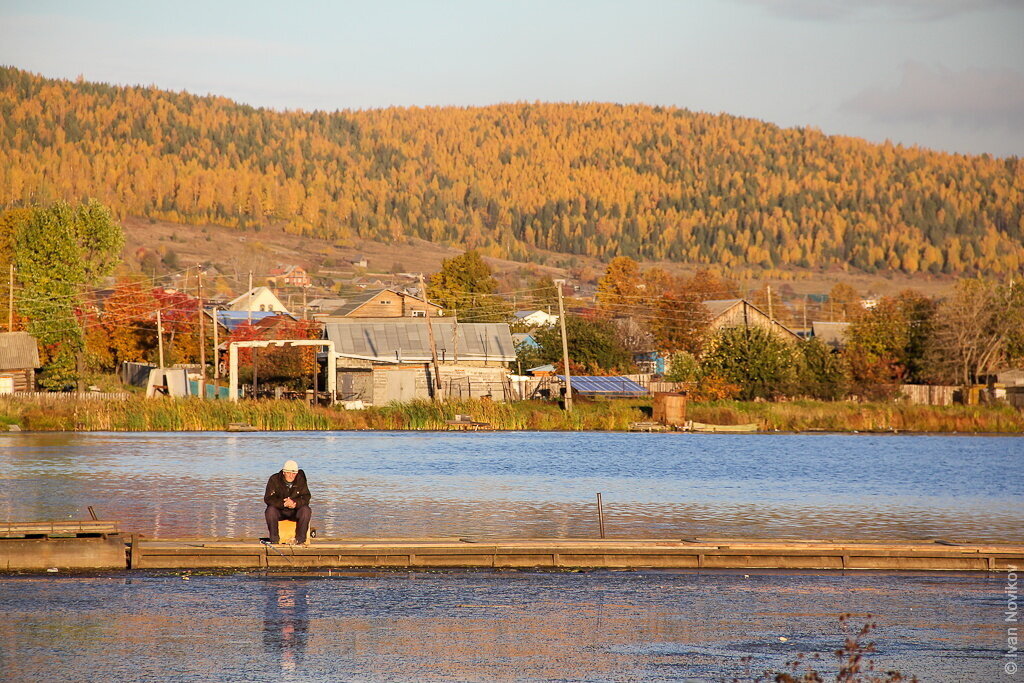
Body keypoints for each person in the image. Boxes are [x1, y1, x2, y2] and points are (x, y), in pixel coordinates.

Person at [264, 459, 312, 545]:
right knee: (270, 511)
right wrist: (283, 503)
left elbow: (306, 497)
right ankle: (274, 540)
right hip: (279, 510)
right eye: (289, 473)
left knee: (306, 510)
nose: (291, 476)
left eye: (294, 473)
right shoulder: (274, 479)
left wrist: (295, 503)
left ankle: (300, 540)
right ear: (283, 472)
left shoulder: (301, 480)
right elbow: (268, 498)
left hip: (295, 510)